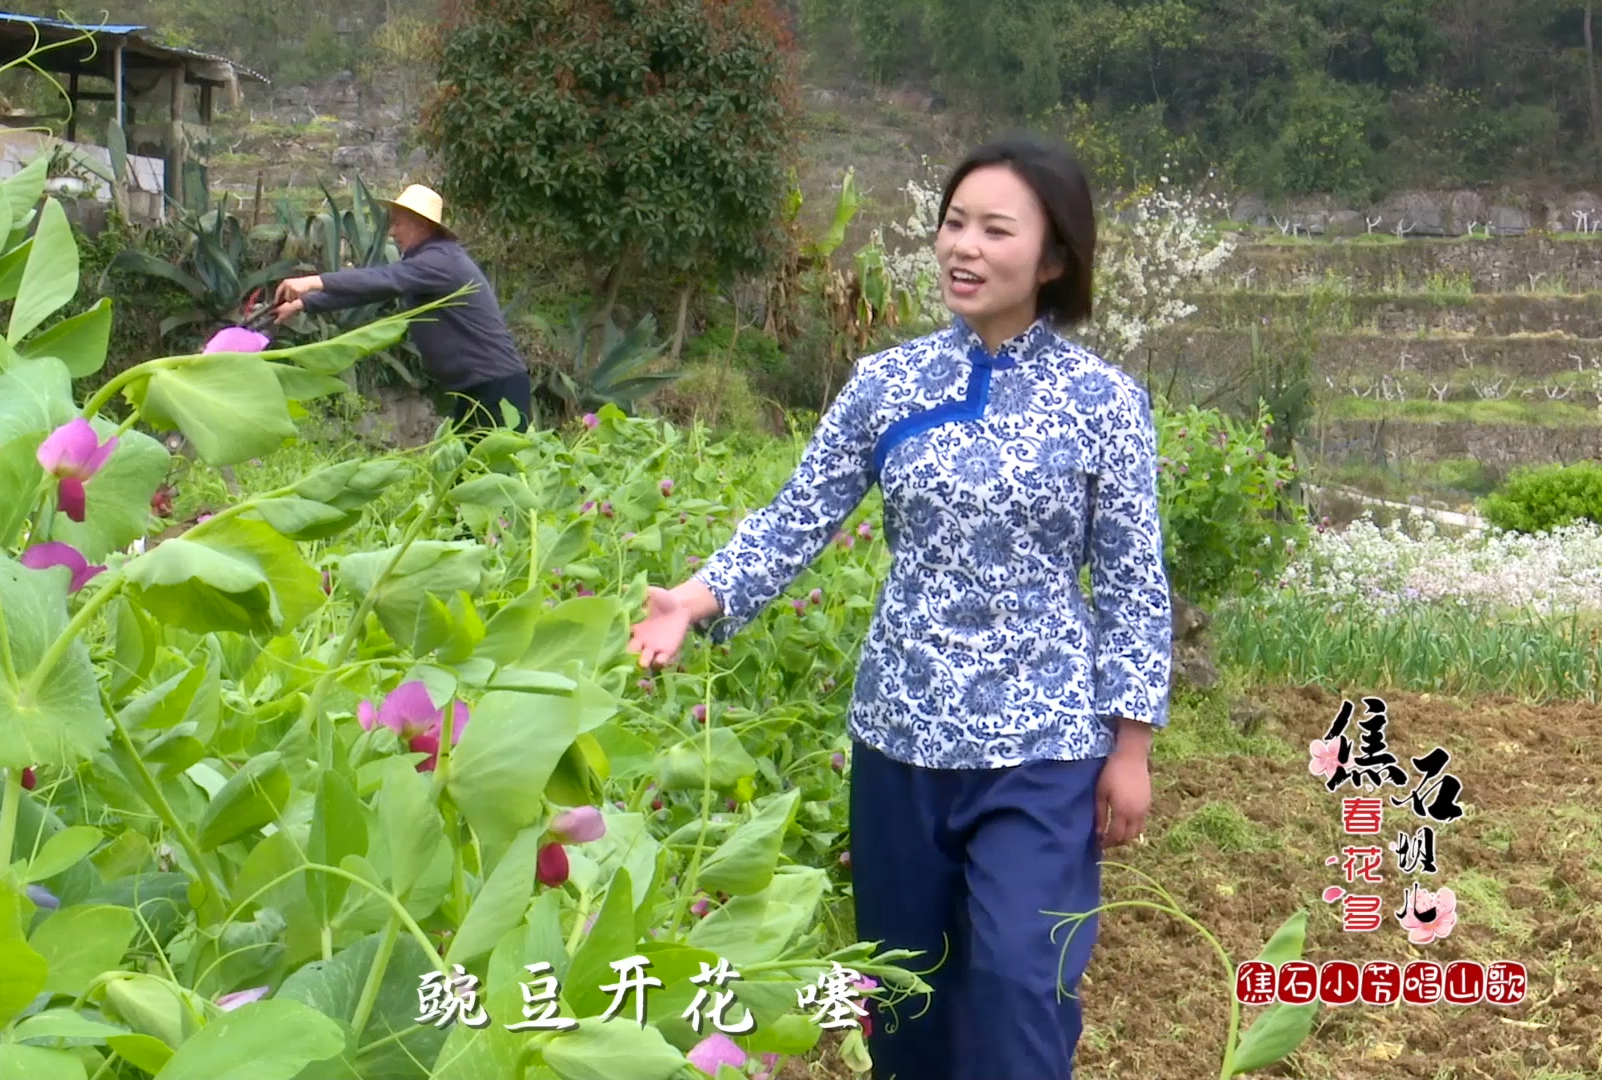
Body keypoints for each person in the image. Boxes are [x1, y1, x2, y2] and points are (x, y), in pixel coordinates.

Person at [626, 132, 1173, 1080]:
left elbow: (1131, 578)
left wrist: (1131, 746)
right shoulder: (889, 384)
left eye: (995, 230)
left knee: (1017, 980)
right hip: (900, 735)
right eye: (953, 223)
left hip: (1040, 741)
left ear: (1051, 258)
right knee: (902, 992)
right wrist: (696, 598)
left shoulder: (1104, 403)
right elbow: (800, 515)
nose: (964, 246)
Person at [273, 184, 532, 433]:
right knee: (470, 474)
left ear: (421, 224)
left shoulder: (440, 260)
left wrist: (313, 281)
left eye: (397, 223)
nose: (392, 233)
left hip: (497, 388)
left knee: (496, 474)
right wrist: (303, 303)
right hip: (476, 387)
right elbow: (373, 290)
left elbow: (384, 278)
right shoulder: (428, 260)